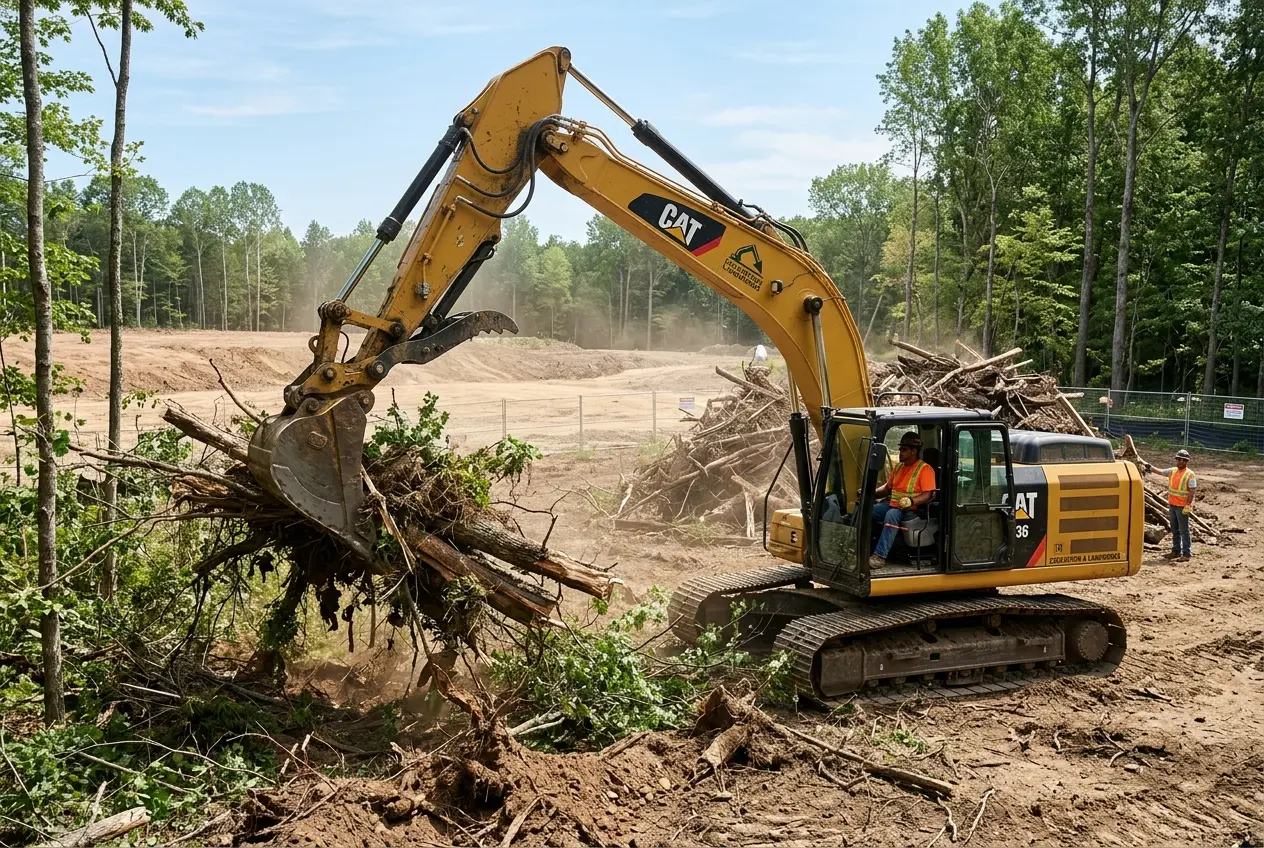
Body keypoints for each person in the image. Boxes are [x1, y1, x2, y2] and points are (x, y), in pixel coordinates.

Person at [869, 432, 936, 569]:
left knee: (891, 515)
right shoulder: (898, 467)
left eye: (904, 449)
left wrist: (912, 501)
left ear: (914, 451)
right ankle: (863, 548)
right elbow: (887, 488)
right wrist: (869, 493)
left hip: (912, 509)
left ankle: (879, 556)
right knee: (867, 511)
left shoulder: (925, 469)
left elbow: (928, 495)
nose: (900, 452)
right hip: (893, 505)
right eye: (900, 449)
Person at [1144, 448, 1197, 561]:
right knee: (1175, 529)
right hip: (1172, 505)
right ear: (1176, 460)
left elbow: (1192, 491)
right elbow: (1161, 471)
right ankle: (1176, 551)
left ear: (1187, 462)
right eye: (1179, 459)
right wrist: (1150, 468)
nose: (1181, 461)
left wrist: (1189, 505)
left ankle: (1186, 553)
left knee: (1184, 530)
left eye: (1183, 460)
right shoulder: (1172, 471)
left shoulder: (1190, 474)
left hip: (1182, 507)